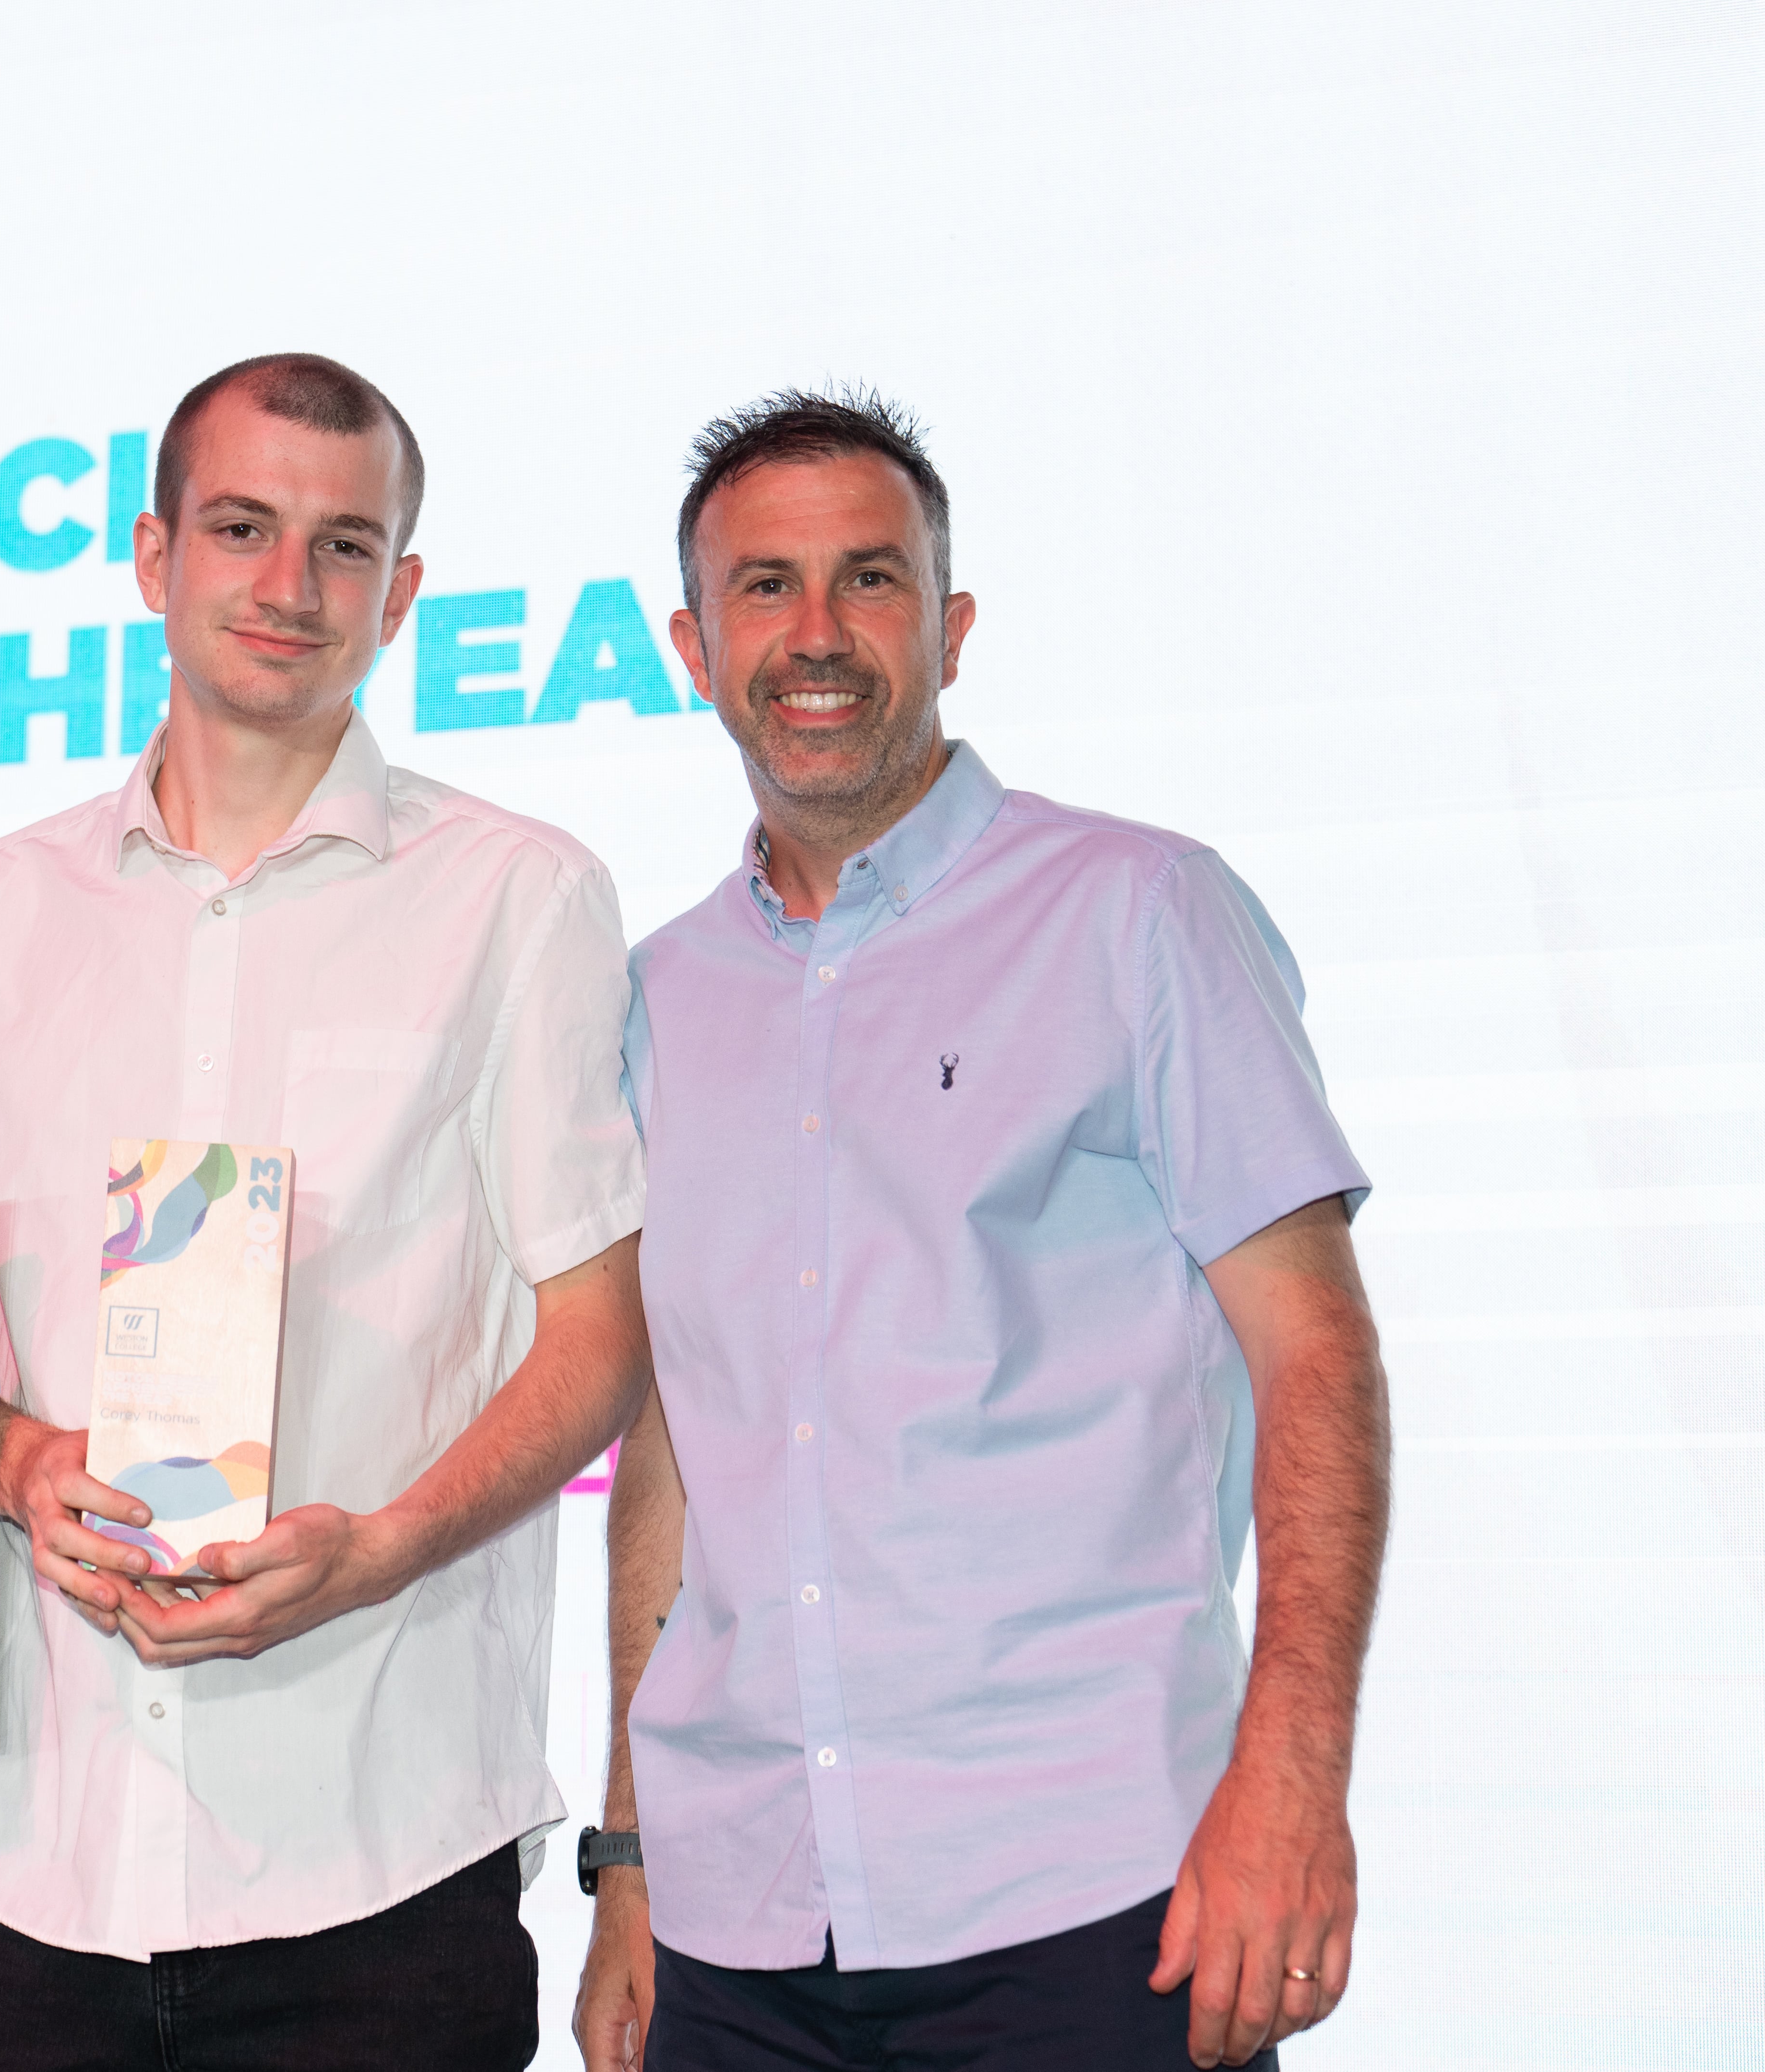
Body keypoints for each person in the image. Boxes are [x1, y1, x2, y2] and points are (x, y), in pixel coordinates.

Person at [0, 351, 652, 2070]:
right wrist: (9, 1457)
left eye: (345, 547)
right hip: (28, 1856)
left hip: (381, 1852)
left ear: (401, 594)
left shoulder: (519, 896)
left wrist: (380, 1551)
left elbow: (598, 1345)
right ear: (151, 554)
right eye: (243, 528)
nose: (289, 587)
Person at [570, 389, 1391, 2072]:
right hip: (736, 1928)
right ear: (688, 641)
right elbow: (672, 1452)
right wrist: (631, 1861)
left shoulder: (1138, 911)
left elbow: (1315, 1355)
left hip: (1090, 1893)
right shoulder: (655, 999)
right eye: (764, 588)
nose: (816, 635)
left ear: (945, 625)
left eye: (867, 582)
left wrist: (1292, 1783)